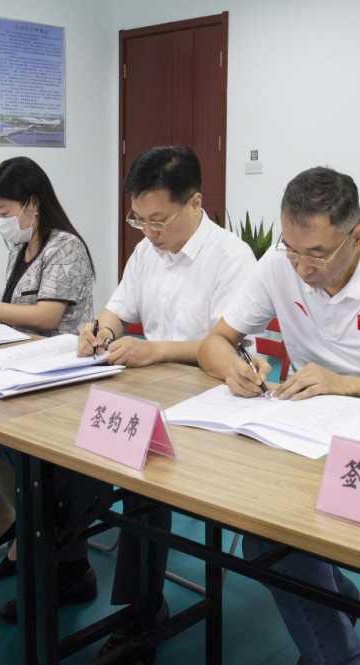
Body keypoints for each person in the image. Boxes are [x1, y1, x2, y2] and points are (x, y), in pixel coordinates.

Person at [198, 166, 360, 665]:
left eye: (317, 254)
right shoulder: (279, 264)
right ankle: (340, 608)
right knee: (266, 535)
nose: (303, 267)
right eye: (292, 249)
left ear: (357, 237)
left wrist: (345, 383)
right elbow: (215, 342)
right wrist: (234, 368)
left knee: (275, 545)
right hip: (302, 434)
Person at [87, 146, 256, 659]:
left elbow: (223, 345)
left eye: (157, 220)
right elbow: (118, 309)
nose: (148, 231)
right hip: (149, 390)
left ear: (195, 203)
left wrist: (155, 349)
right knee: (65, 454)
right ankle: (65, 566)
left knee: (146, 473)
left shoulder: (231, 258)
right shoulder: (146, 251)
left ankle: (142, 612)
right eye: (138, 219)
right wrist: (102, 331)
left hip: (212, 401)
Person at [0, 156, 99, 622]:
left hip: (61, 373)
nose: (1, 222)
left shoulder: (66, 247)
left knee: (0, 451)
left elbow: (47, 317)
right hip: (20, 365)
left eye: (4, 211)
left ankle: (35, 537)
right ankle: (6, 520)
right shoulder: (22, 246)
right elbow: (12, 313)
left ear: (33, 203)